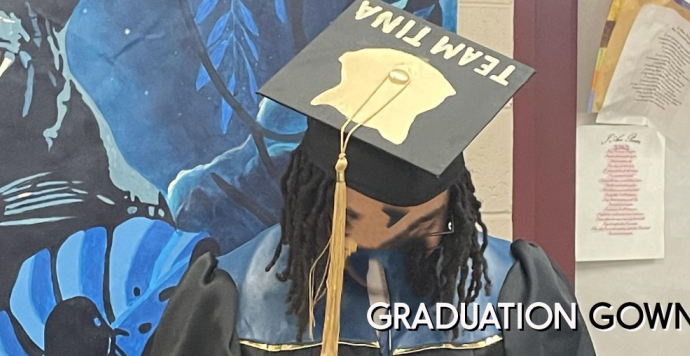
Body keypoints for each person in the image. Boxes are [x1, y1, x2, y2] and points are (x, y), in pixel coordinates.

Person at [147, 1, 596, 355]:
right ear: (323, 203)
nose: (389, 241)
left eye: (424, 224)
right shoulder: (234, 297)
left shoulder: (512, 287)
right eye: (357, 219)